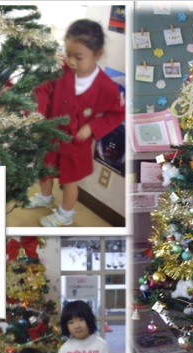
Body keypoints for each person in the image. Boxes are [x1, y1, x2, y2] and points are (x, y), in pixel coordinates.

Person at [30, 19, 125, 227]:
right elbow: (42, 90)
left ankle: (66, 214)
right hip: (51, 134)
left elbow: (116, 114)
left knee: (69, 181)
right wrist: (39, 113)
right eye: (68, 54)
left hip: (76, 145)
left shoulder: (106, 88)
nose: (71, 61)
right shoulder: (60, 70)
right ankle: (46, 198)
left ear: (97, 54)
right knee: (44, 169)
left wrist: (92, 127)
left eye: (78, 57)